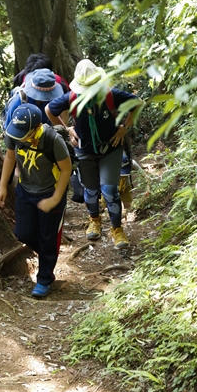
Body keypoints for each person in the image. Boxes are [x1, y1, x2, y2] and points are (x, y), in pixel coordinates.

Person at [45, 59, 143, 250]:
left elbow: (137, 103)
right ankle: (94, 220)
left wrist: (125, 127)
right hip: (84, 150)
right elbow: (49, 110)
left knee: (110, 190)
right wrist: (67, 130)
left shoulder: (110, 95)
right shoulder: (72, 97)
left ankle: (117, 229)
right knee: (90, 189)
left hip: (111, 149)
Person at [0, 103, 72, 298]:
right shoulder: (14, 135)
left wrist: (55, 199)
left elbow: (66, 169)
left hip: (50, 192)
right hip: (25, 190)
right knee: (23, 233)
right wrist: (3, 185)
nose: (19, 137)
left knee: (47, 237)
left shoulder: (51, 139)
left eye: (23, 134)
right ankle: (49, 254)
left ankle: (45, 279)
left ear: (35, 128)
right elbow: (10, 157)